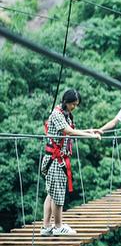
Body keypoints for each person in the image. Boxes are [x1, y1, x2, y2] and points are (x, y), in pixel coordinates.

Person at [40, 89, 101, 236]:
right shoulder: (57, 114)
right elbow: (68, 131)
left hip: (56, 160)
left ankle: (46, 227)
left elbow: (71, 130)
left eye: (76, 104)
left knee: (51, 193)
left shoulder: (65, 114)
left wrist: (90, 131)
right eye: (73, 104)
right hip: (55, 160)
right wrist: (90, 137)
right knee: (58, 195)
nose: (74, 107)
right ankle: (58, 226)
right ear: (66, 101)